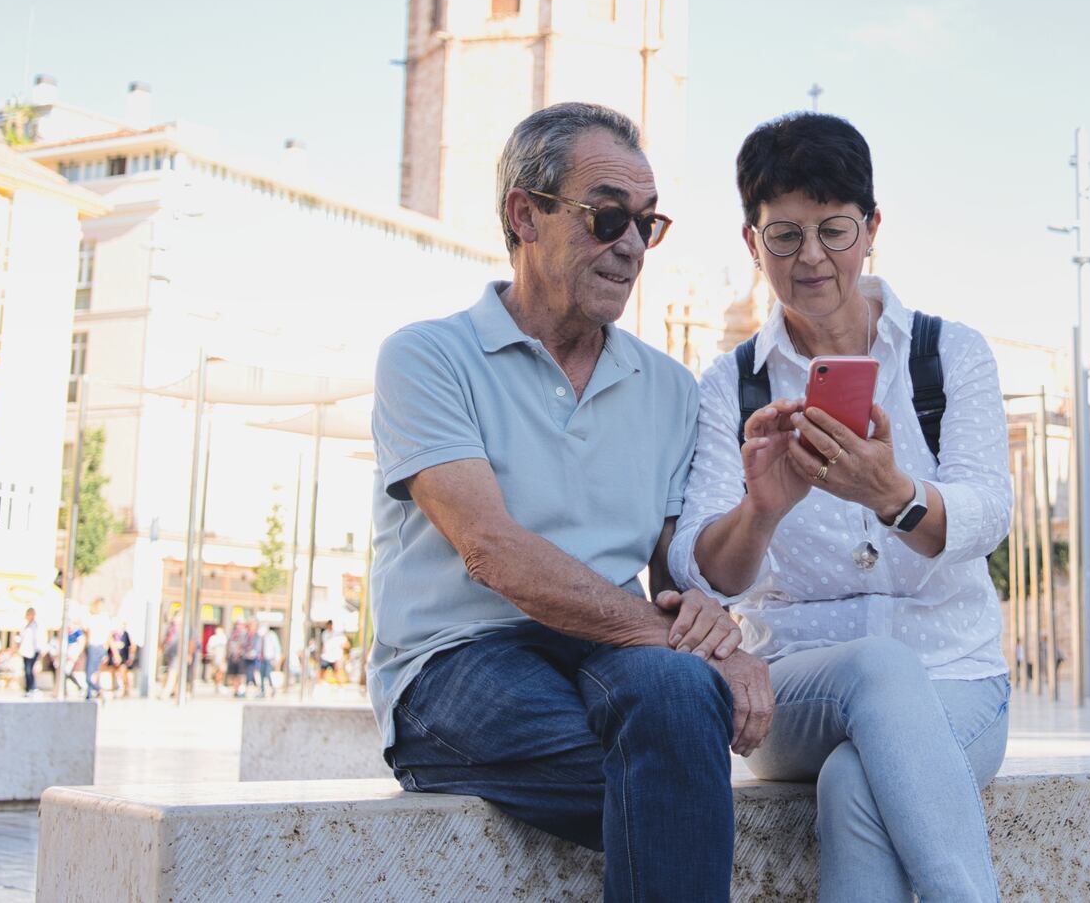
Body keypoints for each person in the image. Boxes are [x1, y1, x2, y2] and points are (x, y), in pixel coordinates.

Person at [371, 103, 769, 903]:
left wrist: (715, 616)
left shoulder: (667, 387)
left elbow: (675, 564)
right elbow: (491, 550)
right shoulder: (427, 357)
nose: (629, 244)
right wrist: (682, 642)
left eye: (646, 225)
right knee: (676, 768)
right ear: (525, 213)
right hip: (457, 660)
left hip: (606, 657)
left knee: (678, 700)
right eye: (607, 216)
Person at [668, 111, 1012, 903]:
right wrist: (761, 509)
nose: (812, 257)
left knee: (857, 785)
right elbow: (701, 566)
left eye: (833, 229)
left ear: (871, 229)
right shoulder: (732, 383)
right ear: (752, 244)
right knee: (877, 668)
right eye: (784, 235)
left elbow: (988, 514)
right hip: (792, 687)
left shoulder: (946, 355)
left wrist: (888, 494)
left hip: (955, 675)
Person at [19, 609, 44, 695]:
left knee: (30, 670)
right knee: (26, 670)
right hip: (25, 651)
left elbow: (38, 639)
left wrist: (40, 650)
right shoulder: (25, 626)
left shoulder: (36, 626)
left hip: (33, 651)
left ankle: (32, 687)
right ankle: (28, 688)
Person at [260, 623, 282, 696]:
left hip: (269, 658)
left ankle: (272, 688)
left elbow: (276, 647)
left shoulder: (272, 635)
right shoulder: (261, 636)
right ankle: (262, 690)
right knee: (262, 674)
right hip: (262, 658)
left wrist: (276, 659)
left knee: (268, 674)